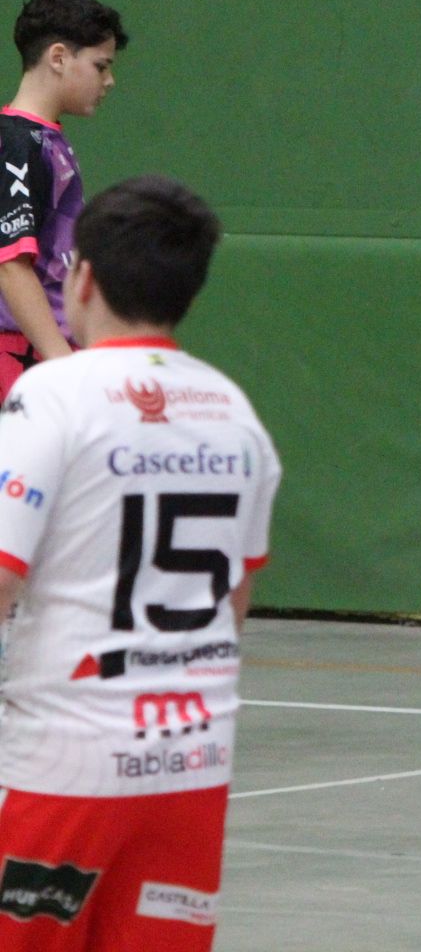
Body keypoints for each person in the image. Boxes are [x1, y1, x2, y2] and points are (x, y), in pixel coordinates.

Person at [0, 175, 281, 950]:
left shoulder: (50, 396)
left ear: (81, 277)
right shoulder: (235, 413)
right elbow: (235, 602)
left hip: (69, 767)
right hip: (191, 762)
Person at [1, 0, 128, 401]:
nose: (109, 80)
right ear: (58, 58)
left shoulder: (45, 139)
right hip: (21, 359)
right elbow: (10, 265)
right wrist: (60, 362)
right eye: (100, 65)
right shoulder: (17, 144)